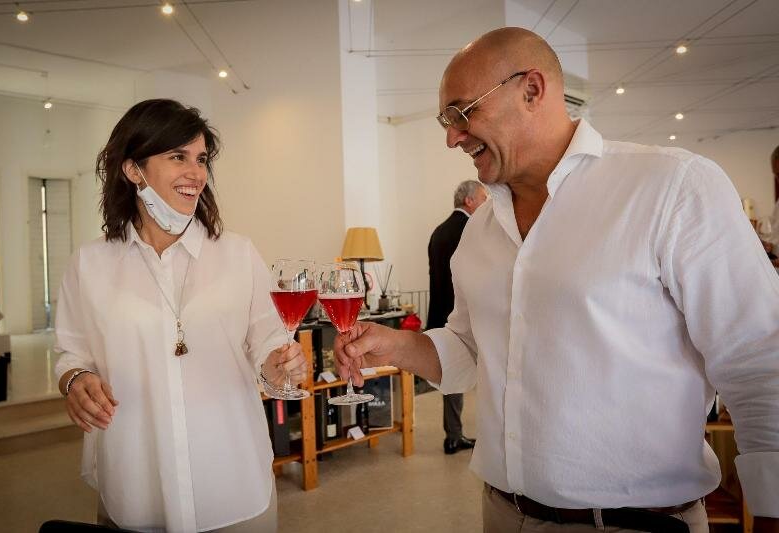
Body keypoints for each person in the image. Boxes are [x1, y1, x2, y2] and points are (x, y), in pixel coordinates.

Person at [335, 28, 779, 533]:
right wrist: (394, 345)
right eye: (446, 121)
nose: (452, 138)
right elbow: (470, 348)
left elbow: (759, 359)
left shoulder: (671, 187)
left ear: (531, 90)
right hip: (503, 514)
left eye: (462, 113)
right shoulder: (478, 231)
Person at [54, 99, 306, 533]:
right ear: (133, 169)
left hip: (232, 481)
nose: (196, 173)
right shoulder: (89, 264)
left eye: (201, 159)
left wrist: (280, 365)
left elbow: (268, 343)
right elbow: (70, 353)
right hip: (136, 484)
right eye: (178, 157)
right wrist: (75, 380)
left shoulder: (238, 254)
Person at [427, 180, 486, 454]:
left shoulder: (438, 232)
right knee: (482, 375)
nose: (487, 204)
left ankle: (453, 434)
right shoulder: (472, 229)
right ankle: (479, 436)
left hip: (439, 312)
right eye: (483, 198)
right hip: (464, 316)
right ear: (469, 201)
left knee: (451, 375)